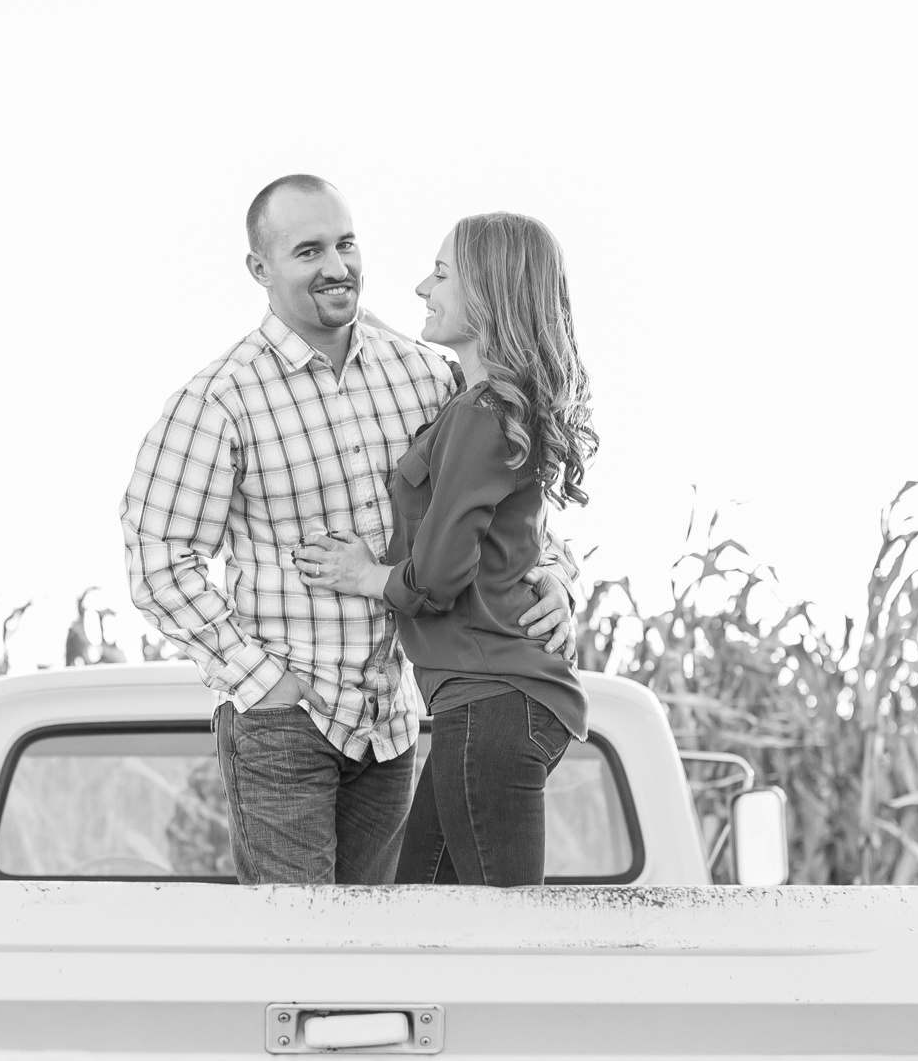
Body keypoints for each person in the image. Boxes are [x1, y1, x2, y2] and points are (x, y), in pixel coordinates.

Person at [121, 176, 579, 886]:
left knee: (381, 962)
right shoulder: (220, 400)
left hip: (390, 724)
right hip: (284, 724)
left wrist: (556, 576)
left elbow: (505, 496)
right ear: (260, 269)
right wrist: (263, 682)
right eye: (308, 251)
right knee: (304, 962)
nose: (337, 266)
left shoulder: (425, 374)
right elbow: (157, 562)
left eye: (345, 243)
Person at [293, 212, 596, 887]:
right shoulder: (491, 406)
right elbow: (515, 544)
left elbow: (439, 571)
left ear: (486, 294)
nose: (421, 285)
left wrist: (365, 575)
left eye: (440, 273)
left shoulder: (482, 415)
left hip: (493, 703)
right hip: (487, 703)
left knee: (502, 940)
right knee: (421, 922)